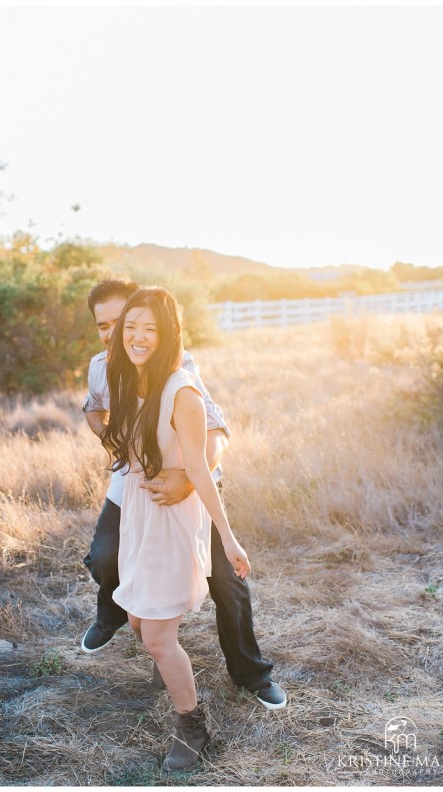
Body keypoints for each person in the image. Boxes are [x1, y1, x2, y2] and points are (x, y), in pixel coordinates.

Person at [81, 279, 287, 712]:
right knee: (105, 558)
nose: (120, 332)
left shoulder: (178, 368)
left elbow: (215, 431)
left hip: (189, 481)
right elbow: (93, 409)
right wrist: (115, 439)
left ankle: (251, 673)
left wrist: (188, 480)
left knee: (227, 582)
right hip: (133, 485)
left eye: (130, 321)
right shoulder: (101, 366)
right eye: (109, 325)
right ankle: (124, 616)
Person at [102, 285, 253, 768]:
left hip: (172, 523)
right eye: (132, 327)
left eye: (150, 329)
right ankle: (168, 667)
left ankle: (193, 724)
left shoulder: (181, 391)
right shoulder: (130, 381)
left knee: (158, 637)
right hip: (140, 518)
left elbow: (202, 470)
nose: (138, 337)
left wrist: (227, 539)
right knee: (137, 619)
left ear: (169, 335)